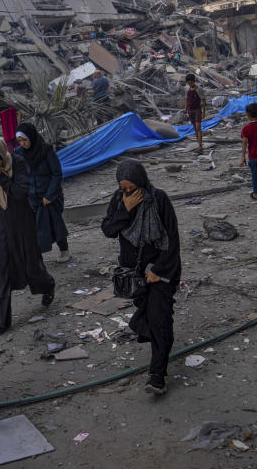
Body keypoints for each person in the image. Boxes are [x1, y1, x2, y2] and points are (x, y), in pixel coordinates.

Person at [101, 160, 181, 395]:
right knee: (144, 317)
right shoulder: (118, 201)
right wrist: (124, 210)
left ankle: (157, 375)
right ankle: (155, 340)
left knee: (160, 319)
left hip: (160, 272)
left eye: (132, 188)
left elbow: (172, 239)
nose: (128, 193)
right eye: (124, 188)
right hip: (134, 276)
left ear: (141, 182)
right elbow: (108, 230)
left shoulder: (159, 199)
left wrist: (159, 269)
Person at [0, 137, 55, 337]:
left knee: (30, 263)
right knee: (1, 270)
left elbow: (21, 194)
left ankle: (47, 286)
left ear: (3, 156)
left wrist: (1, 177)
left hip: (21, 223)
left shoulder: (17, 164)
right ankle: (1, 321)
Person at [14, 123, 71, 264]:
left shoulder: (46, 151)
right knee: (34, 227)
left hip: (49, 196)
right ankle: (36, 255)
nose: (23, 144)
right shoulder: (19, 153)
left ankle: (64, 250)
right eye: (20, 141)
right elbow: (19, 174)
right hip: (31, 197)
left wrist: (49, 195)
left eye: (25, 140)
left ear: (32, 137)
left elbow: (56, 174)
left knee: (55, 224)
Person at [184, 74, 206, 153]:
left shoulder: (199, 89)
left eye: (191, 82)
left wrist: (203, 112)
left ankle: (200, 146)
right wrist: (185, 112)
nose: (190, 84)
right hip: (190, 111)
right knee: (195, 129)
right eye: (189, 83)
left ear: (194, 81)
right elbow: (187, 101)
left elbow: (203, 100)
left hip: (197, 110)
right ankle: (199, 145)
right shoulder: (187, 89)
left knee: (198, 128)